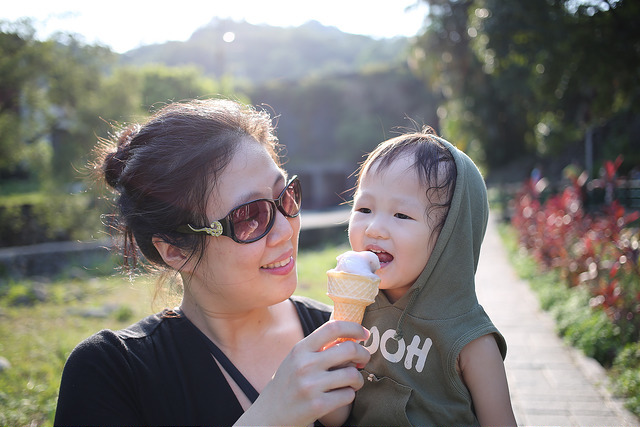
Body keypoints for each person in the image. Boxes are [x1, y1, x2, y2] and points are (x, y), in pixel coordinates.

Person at [53, 99, 370, 426]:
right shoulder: (113, 371)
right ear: (175, 251)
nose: (285, 229)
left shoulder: (346, 337)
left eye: (285, 197)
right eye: (250, 217)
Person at [345, 127, 517, 426]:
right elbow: (335, 416)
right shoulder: (357, 309)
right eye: (364, 208)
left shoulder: (469, 340)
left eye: (401, 215)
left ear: (450, 238)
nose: (373, 228)